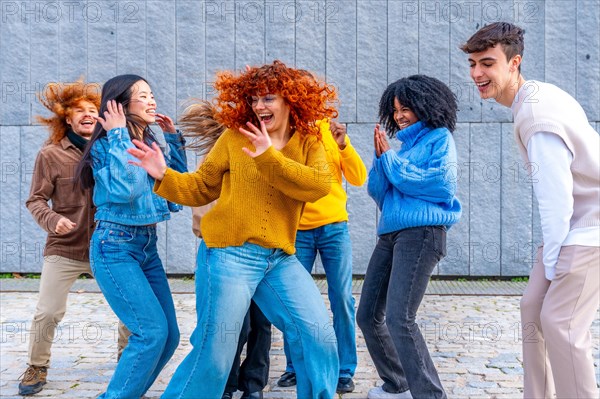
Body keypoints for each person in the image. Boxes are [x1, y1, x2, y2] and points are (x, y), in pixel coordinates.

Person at [128, 60, 339, 399]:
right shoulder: (234, 137)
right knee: (216, 351)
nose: (259, 106)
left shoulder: (309, 142)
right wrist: (162, 175)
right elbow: (200, 187)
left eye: (268, 98)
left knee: (319, 334)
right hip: (230, 256)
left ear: (291, 101)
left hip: (279, 259)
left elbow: (317, 186)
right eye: (254, 99)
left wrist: (269, 156)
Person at [462, 22, 600, 399]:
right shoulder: (536, 97)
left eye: (487, 63)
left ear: (514, 62)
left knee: (561, 323)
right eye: (473, 63)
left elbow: (557, 200)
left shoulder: (537, 117)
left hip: (589, 230)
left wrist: (554, 263)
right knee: (532, 309)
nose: (477, 73)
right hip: (573, 226)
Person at [76, 74, 187, 398]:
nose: (152, 101)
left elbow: (175, 190)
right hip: (115, 247)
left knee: (169, 336)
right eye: (143, 96)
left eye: (152, 94)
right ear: (119, 106)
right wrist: (118, 135)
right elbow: (126, 189)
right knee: (151, 332)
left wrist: (173, 141)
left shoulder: (150, 144)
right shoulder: (104, 146)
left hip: (146, 248)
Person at [356, 75, 461, 399]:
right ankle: (398, 384)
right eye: (396, 110)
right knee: (368, 315)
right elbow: (381, 194)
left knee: (400, 318)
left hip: (422, 234)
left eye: (406, 108)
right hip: (390, 234)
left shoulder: (439, 139)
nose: (400, 116)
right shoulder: (402, 147)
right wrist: (380, 159)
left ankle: (430, 395)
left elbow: (439, 186)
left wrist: (391, 161)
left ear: (426, 105)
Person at [184, 101, 272, 399]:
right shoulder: (214, 159)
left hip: (266, 251)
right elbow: (201, 211)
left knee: (261, 323)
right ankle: (225, 383)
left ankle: (254, 385)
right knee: (232, 323)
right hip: (225, 252)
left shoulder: (268, 153)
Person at [18, 79, 100, 396]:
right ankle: (37, 366)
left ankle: (127, 362)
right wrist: (53, 220)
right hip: (64, 248)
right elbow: (35, 200)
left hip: (106, 248)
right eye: (79, 111)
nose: (86, 115)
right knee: (48, 311)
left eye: (92, 110)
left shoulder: (111, 148)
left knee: (130, 309)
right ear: (67, 118)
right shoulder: (50, 155)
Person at [277, 119, 366, 394]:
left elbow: (359, 177)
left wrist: (343, 145)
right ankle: (295, 367)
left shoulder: (330, 131)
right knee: (294, 302)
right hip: (298, 230)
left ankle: (344, 370)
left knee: (341, 297)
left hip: (334, 228)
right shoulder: (285, 132)